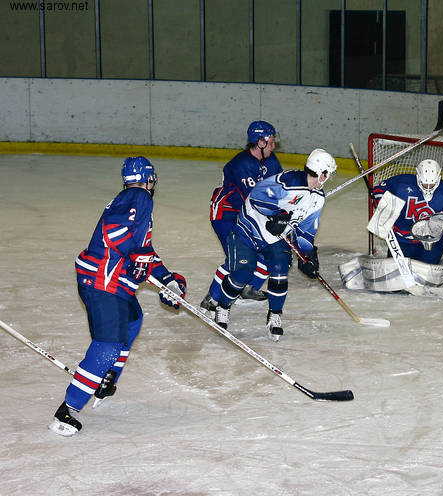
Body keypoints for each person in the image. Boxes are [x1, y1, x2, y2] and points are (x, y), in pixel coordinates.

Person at [49, 157, 187, 437]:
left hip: (110, 283)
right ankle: (67, 411)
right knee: (108, 346)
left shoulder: (130, 199)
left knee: (133, 320)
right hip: (103, 283)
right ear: (150, 179)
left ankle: (106, 378)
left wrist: (167, 280)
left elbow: (143, 250)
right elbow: (113, 230)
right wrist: (135, 255)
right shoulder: (139, 196)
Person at [205, 148, 337, 341]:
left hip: (274, 238)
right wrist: (277, 215)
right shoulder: (288, 182)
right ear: (321, 173)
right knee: (243, 272)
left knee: (280, 269)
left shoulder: (318, 198)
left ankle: (275, 315)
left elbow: (306, 230)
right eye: (328, 174)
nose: (329, 178)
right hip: (249, 230)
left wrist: (308, 255)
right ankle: (223, 307)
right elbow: (257, 194)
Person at [201, 121, 283, 326]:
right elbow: (256, 199)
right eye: (271, 141)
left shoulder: (271, 160)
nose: (274, 145)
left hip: (249, 213)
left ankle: (247, 287)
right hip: (226, 214)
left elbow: (280, 187)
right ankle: (211, 300)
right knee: (238, 259)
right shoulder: (241, 165)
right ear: (260, 142)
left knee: (268, 250)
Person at [370, 159, 443, 264]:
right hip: (402, 239)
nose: (428, 187)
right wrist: (381, 202)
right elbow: (378, 190)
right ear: (418, 177)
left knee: (427, 270)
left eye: (432, 184)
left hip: (431, 242)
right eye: (424, 184)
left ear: (438, 179)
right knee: (395, 270)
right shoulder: (401, 183)